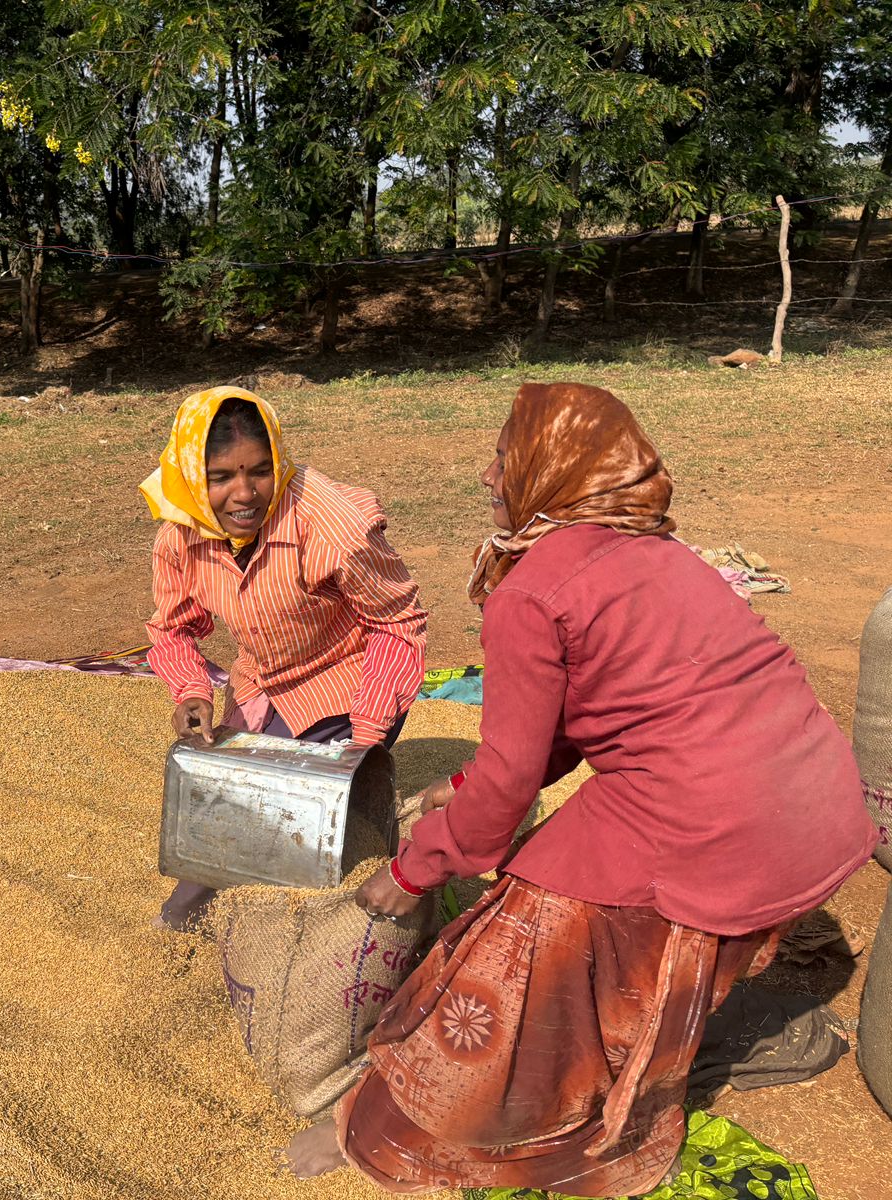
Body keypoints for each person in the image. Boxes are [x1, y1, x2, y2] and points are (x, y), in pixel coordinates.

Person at [286, 382, 877, 1195]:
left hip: (722, 826)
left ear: (553, 468)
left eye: (504, 456)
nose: (489, 476)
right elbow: (559, 730)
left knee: (517, 934)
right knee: (574, 876)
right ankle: (708, 1023)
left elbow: (506, 795)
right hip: (814, 815)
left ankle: (415, 1132)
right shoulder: (654, 554)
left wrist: (414, 868)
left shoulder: (532, 589)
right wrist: (458, 788)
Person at [141, 386, 427, 931]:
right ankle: (197, 926)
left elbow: (397, 624)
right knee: (229, 802)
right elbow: (172, 629)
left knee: (285, 815)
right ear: (191, 478)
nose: (244, 493)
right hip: (265, 681)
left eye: (259, 471)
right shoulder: (180, 536)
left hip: (352, 678)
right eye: (221, 477)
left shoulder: (331, 523)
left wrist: (364, 741)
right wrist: (193, 693)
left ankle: (196, 923)